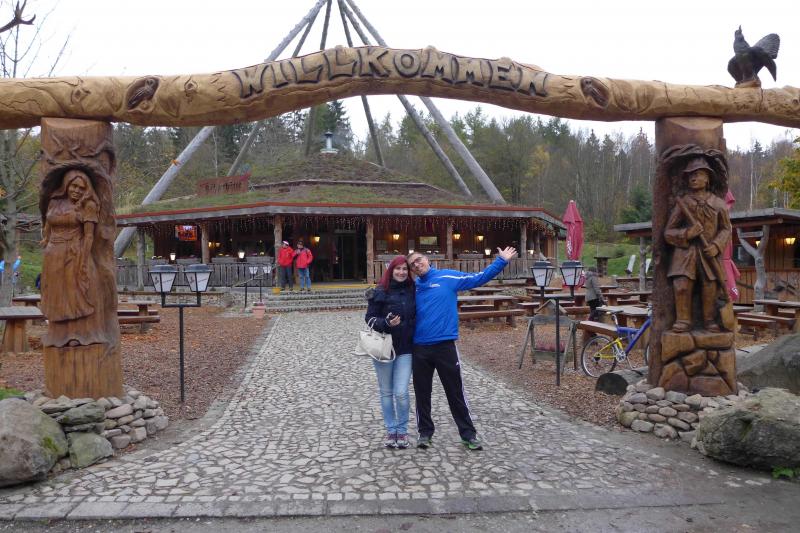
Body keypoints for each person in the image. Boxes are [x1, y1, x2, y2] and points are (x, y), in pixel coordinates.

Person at [408, 246, 517, 451]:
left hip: (445, 346)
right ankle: (424, 434)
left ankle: (468, 435)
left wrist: (501, 261)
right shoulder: (413, 288)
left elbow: (478, 278)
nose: (417, 265)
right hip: (420, 347)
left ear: (427, 260)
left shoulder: (447, 277)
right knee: (422, 393)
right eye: (412, 264)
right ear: (411, 270)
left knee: (455, 392)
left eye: (419, 260)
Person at [664, 156, 731, 333]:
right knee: (682, 285)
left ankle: (709, 320)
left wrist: (716, 246)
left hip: (708, 252)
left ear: (708, 178)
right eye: (690, 175)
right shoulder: (683, 203)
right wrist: (687, 233)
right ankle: (683, 320)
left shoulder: (719, 204)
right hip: (685, 254)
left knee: (710, 287)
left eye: (698, 174)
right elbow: (668, 232)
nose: (693, 178)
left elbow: (726, 229)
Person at [364, 256, 416, 449]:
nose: (401, 272)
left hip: (406, 349)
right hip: (384, 349)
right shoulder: (380, 291)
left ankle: (402, 430)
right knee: (386, 392)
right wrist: (386, 323)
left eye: (404, 269)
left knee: (401, 392)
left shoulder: (413, 290)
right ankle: (391, 430)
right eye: (398, 269)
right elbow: (369, 319)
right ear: (391, 270)